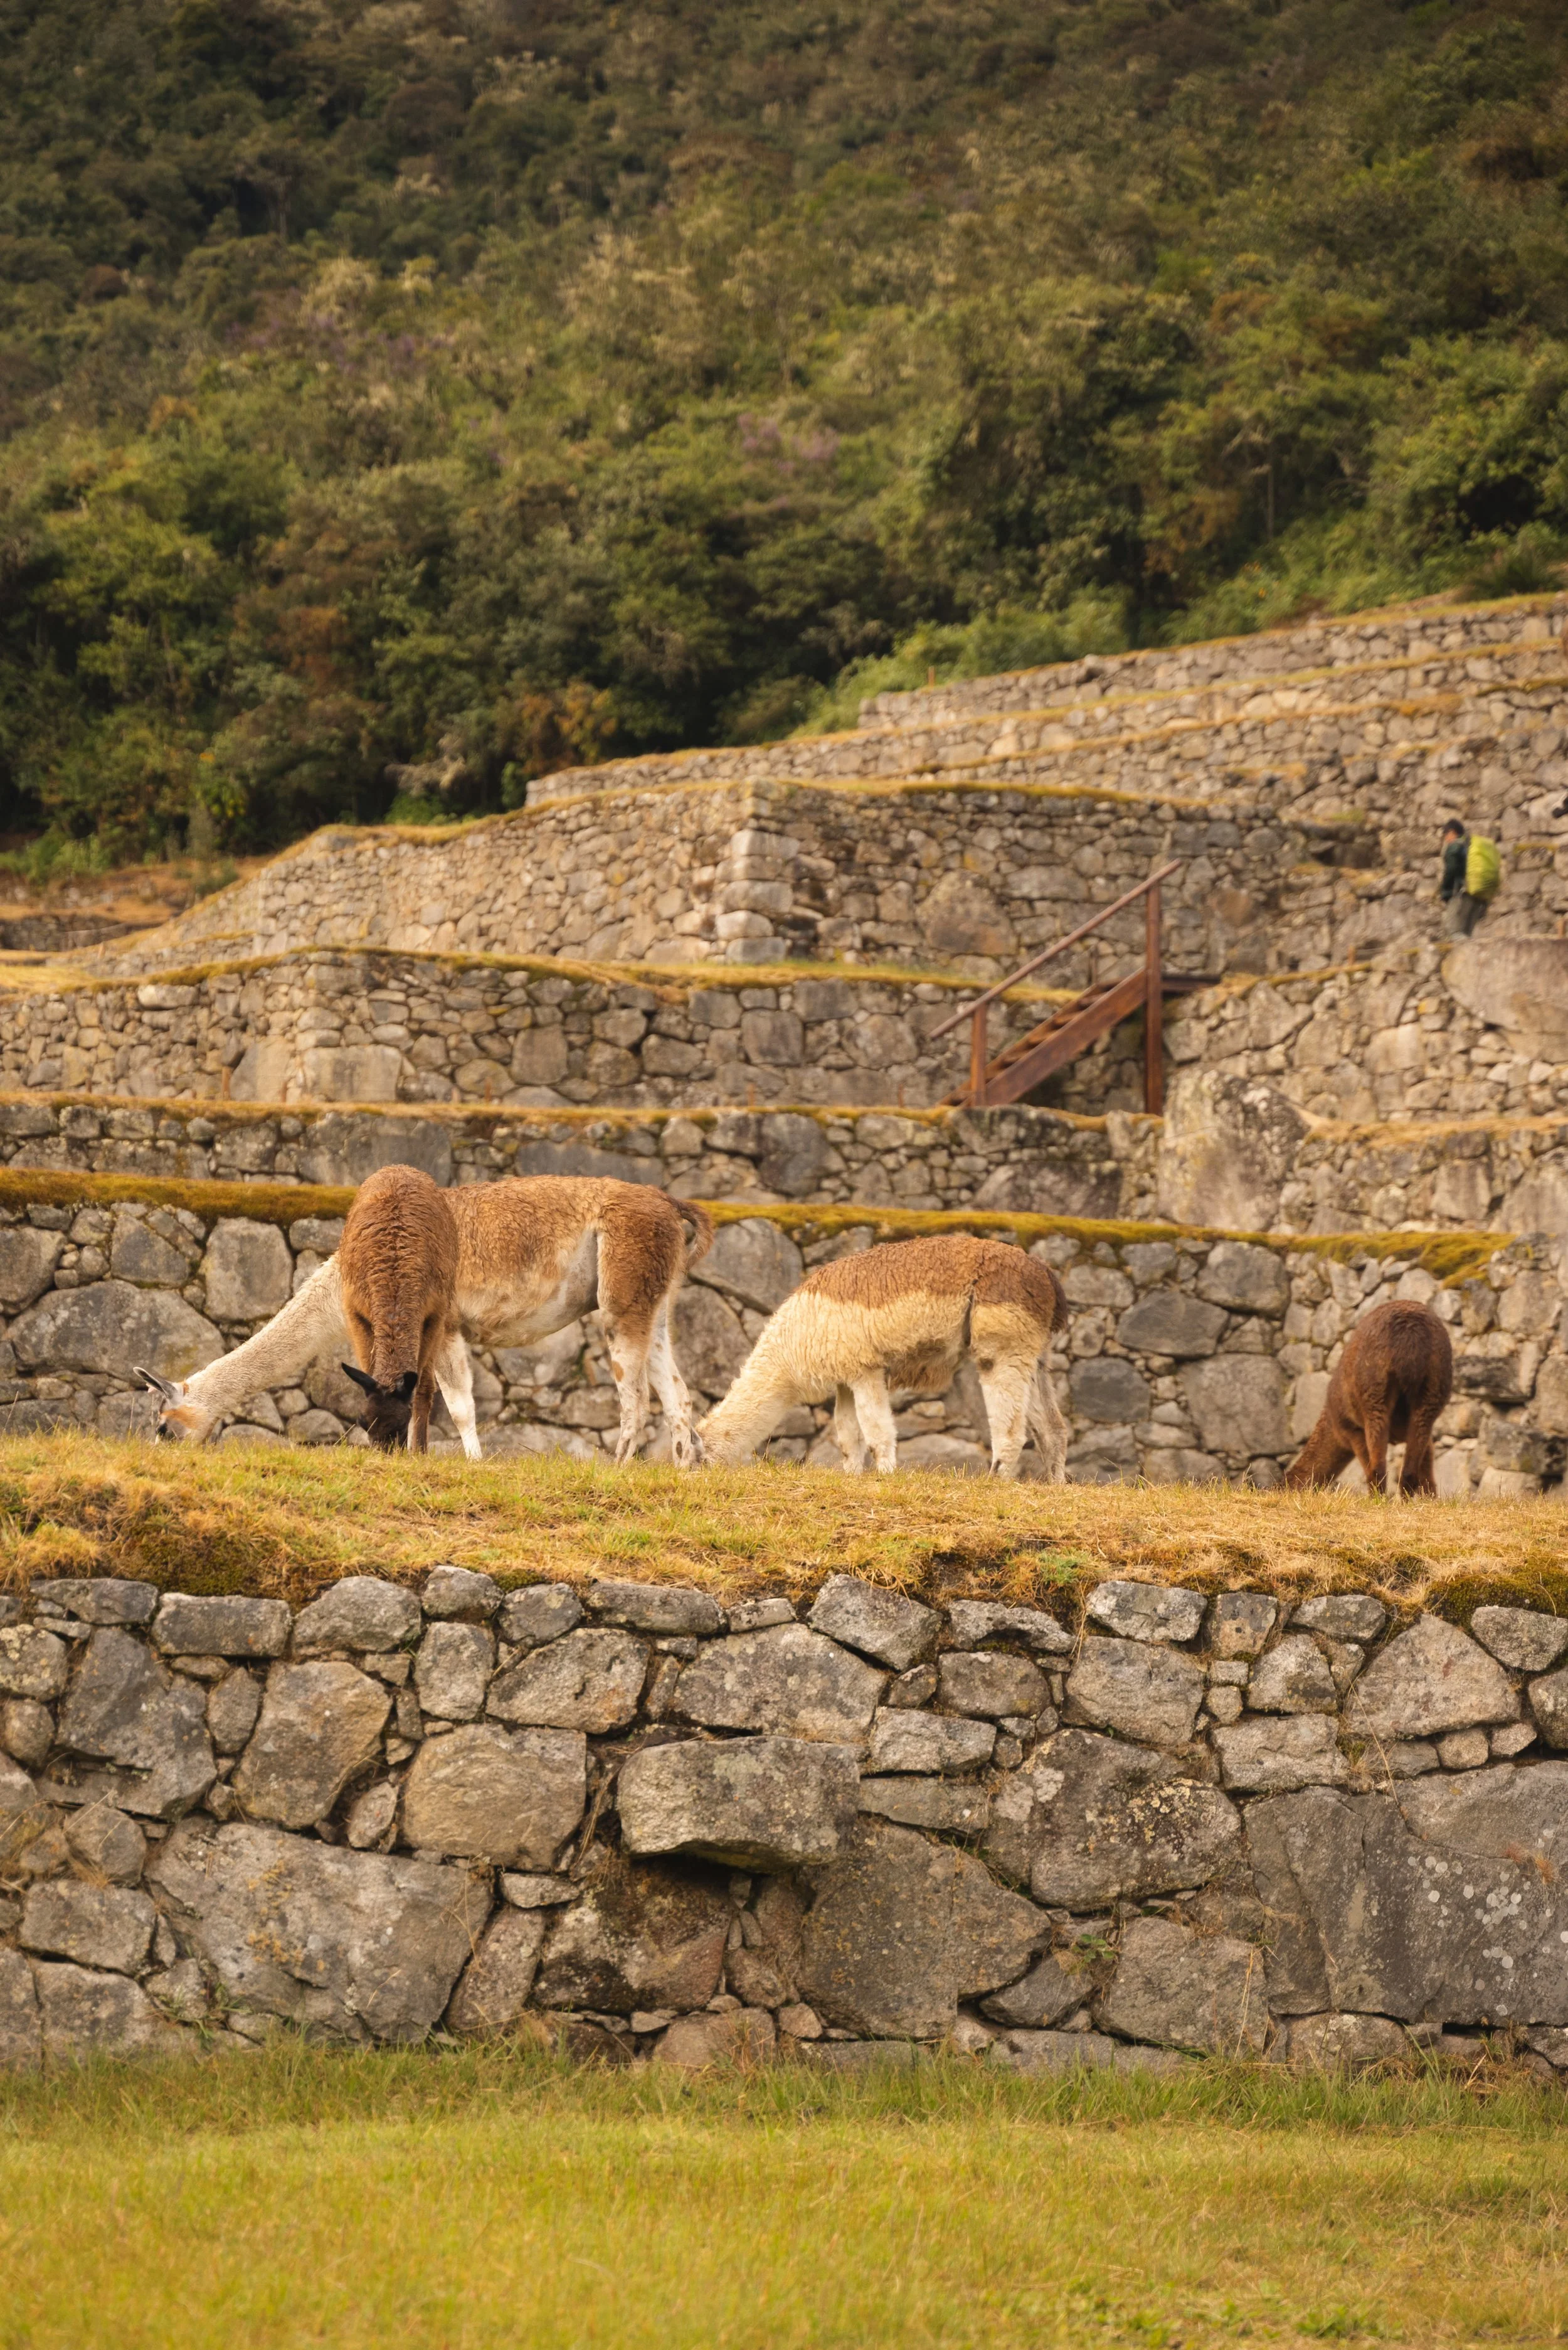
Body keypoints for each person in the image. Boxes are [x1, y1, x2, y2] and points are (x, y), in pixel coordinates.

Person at [1439, 818, 1485, 937]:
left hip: (1461, 894)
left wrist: (1446, 892)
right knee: (1466, 935)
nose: (1446, 839)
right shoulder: (1471, 846)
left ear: (1452, 833)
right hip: (1477, 896)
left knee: (1453, 932)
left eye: (1446, 835)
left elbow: (1451, 870)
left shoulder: (1454, 847)